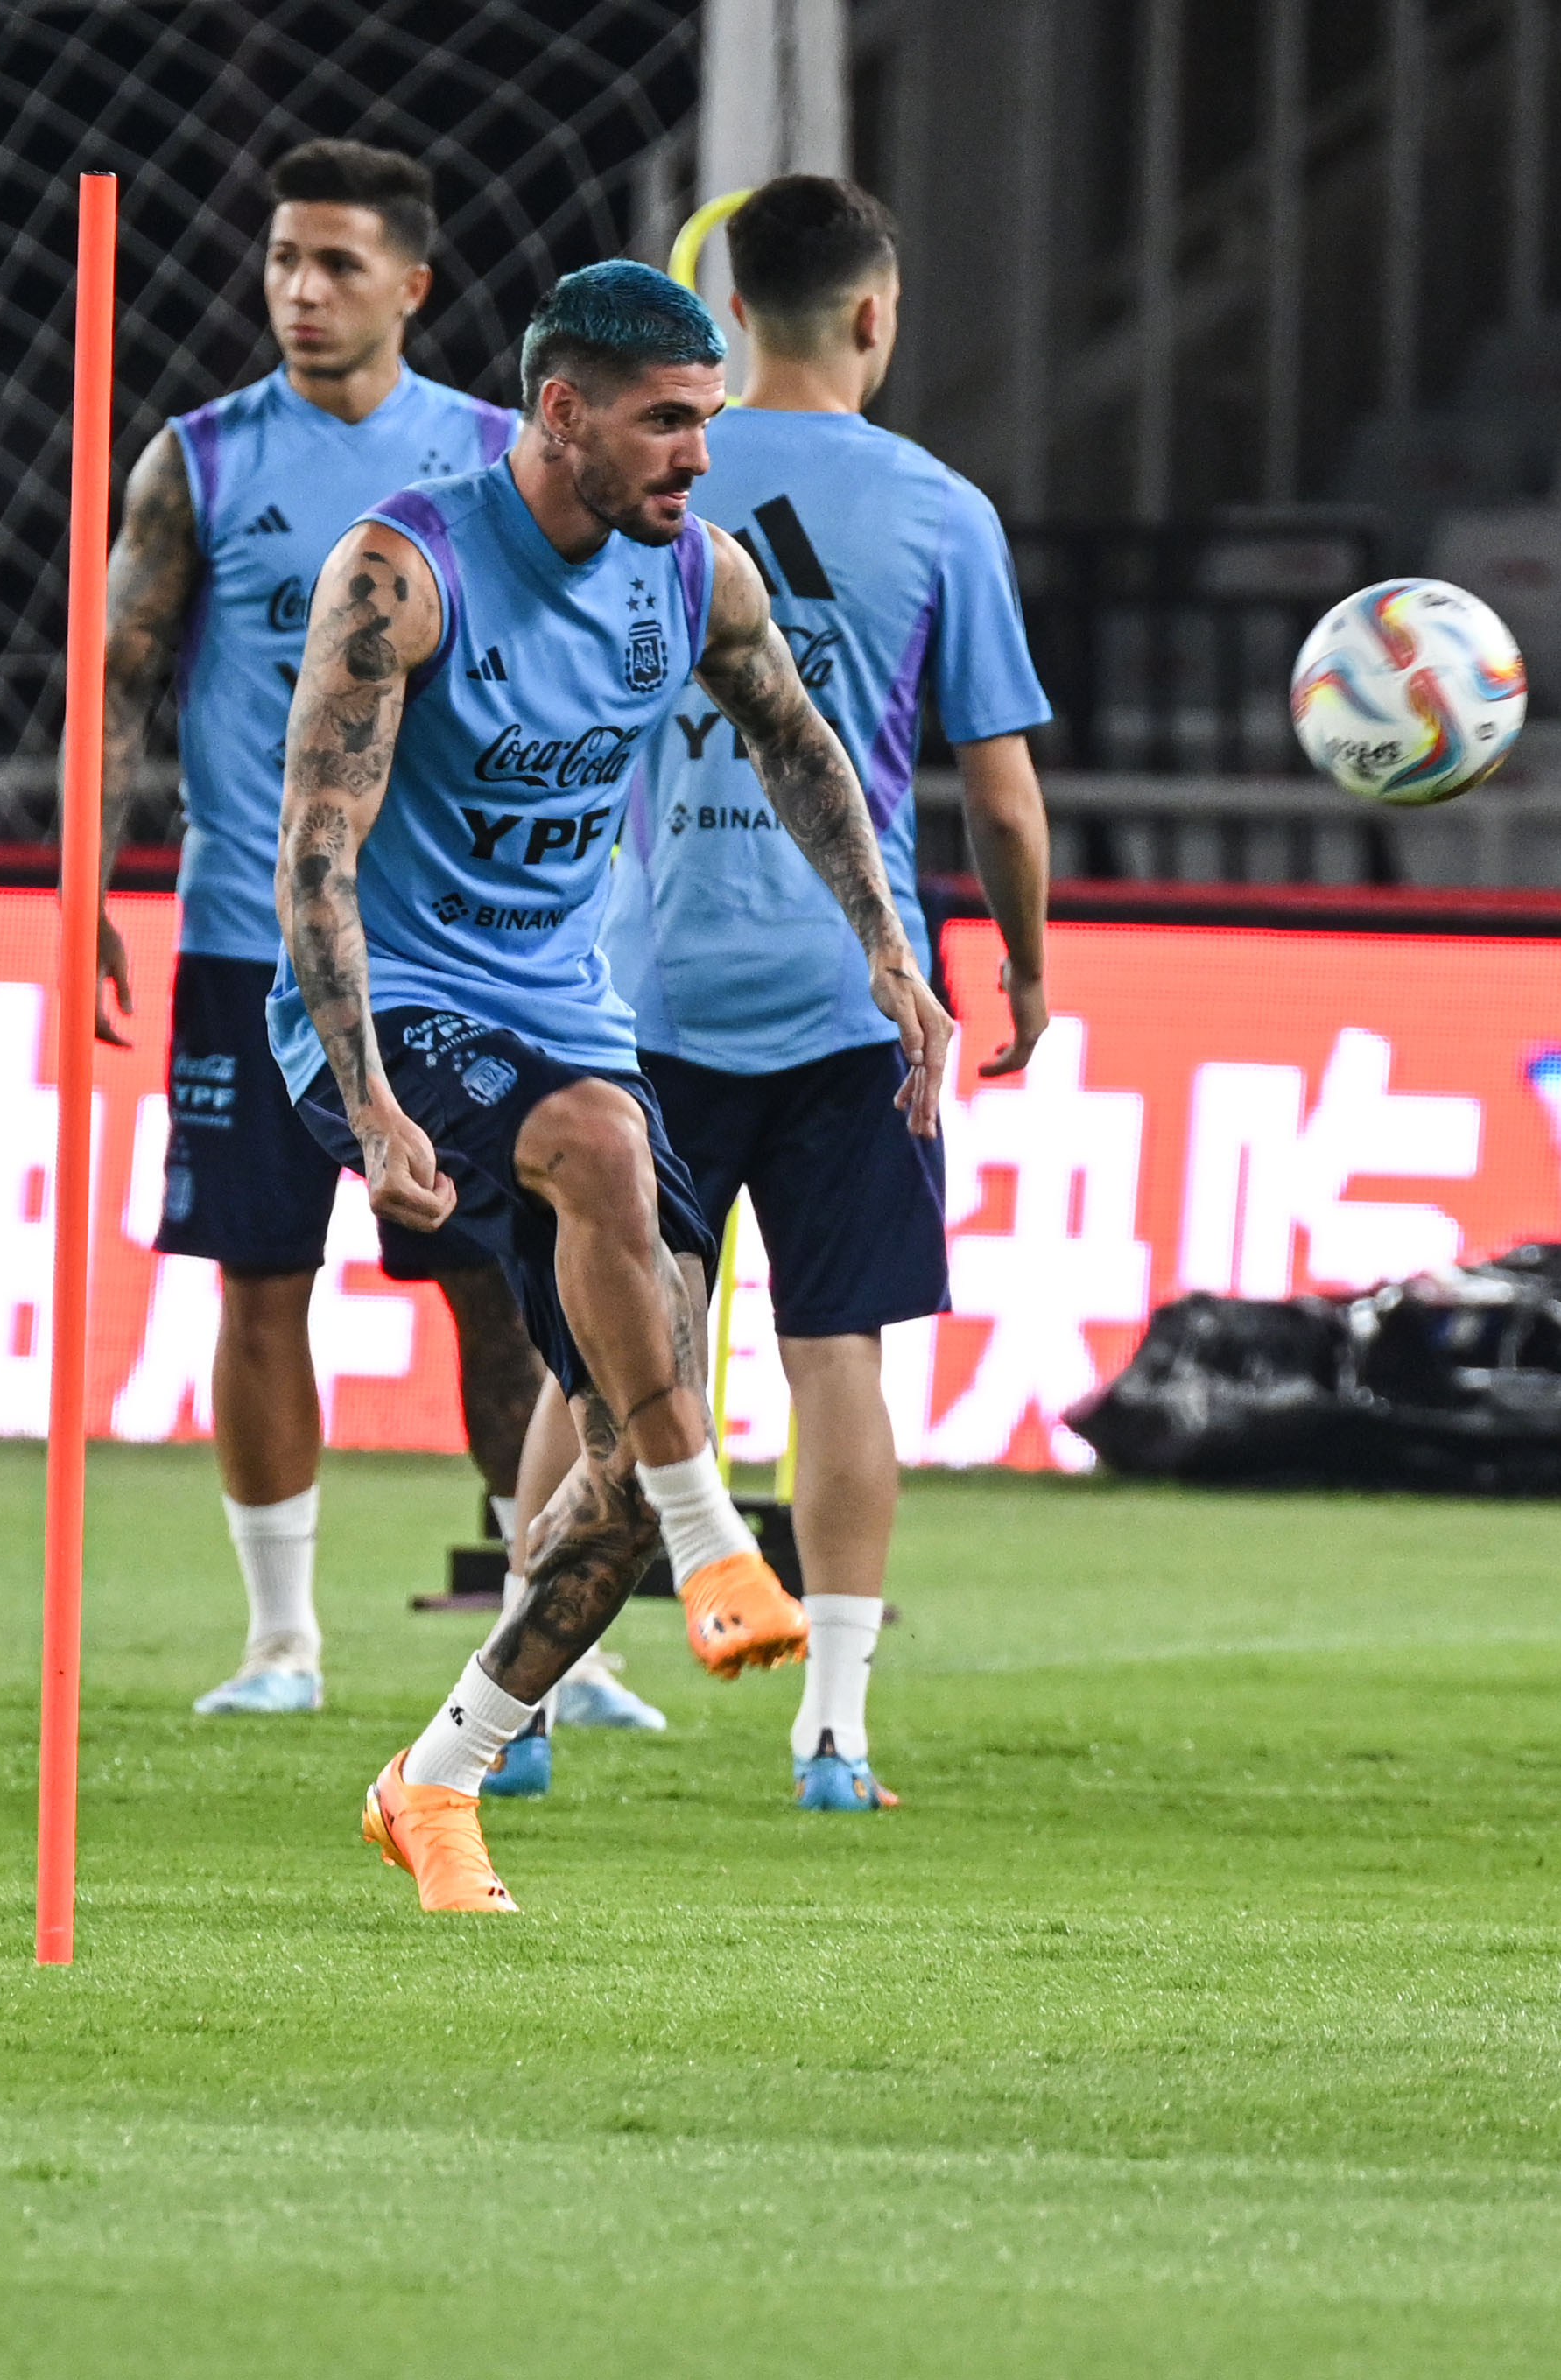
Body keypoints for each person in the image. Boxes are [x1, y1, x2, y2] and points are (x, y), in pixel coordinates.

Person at [274, 261, 954, 1912]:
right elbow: (315, 856)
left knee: (603, 1485)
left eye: (708, 423)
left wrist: (886, 950)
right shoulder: (405, 572)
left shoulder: (694, 574)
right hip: (394, 1020)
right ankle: (715, 1517)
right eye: (667, 423)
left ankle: (433, 1785)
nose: (698, 459)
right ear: (561, 413)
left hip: (563, 1018)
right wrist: (366, 1100)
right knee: (595, 1149)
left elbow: (803, 745)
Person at [78, 137, 598, 1722]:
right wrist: (82, 881)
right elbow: (116, 670)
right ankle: (281, 1640)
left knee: (501, 1291)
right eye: (283, 262)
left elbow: (586, 671)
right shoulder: (201, 461)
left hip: (446, 952)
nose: (302, 292)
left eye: (338, 264)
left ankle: (548, 1625)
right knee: (256, 1278)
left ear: (412, 285)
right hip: (246, 938)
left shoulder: (501, 460)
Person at [592, 173, 1055, 1812]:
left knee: (610, 1349)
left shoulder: (637, 482)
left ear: (725, 322)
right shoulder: (937, 510)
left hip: (637, 987)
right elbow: (997, 793)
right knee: (835, 1349)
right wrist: (1024, 965)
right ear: (876, 314)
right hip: (855, 999)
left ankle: (543, 1684)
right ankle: (835, 1733)